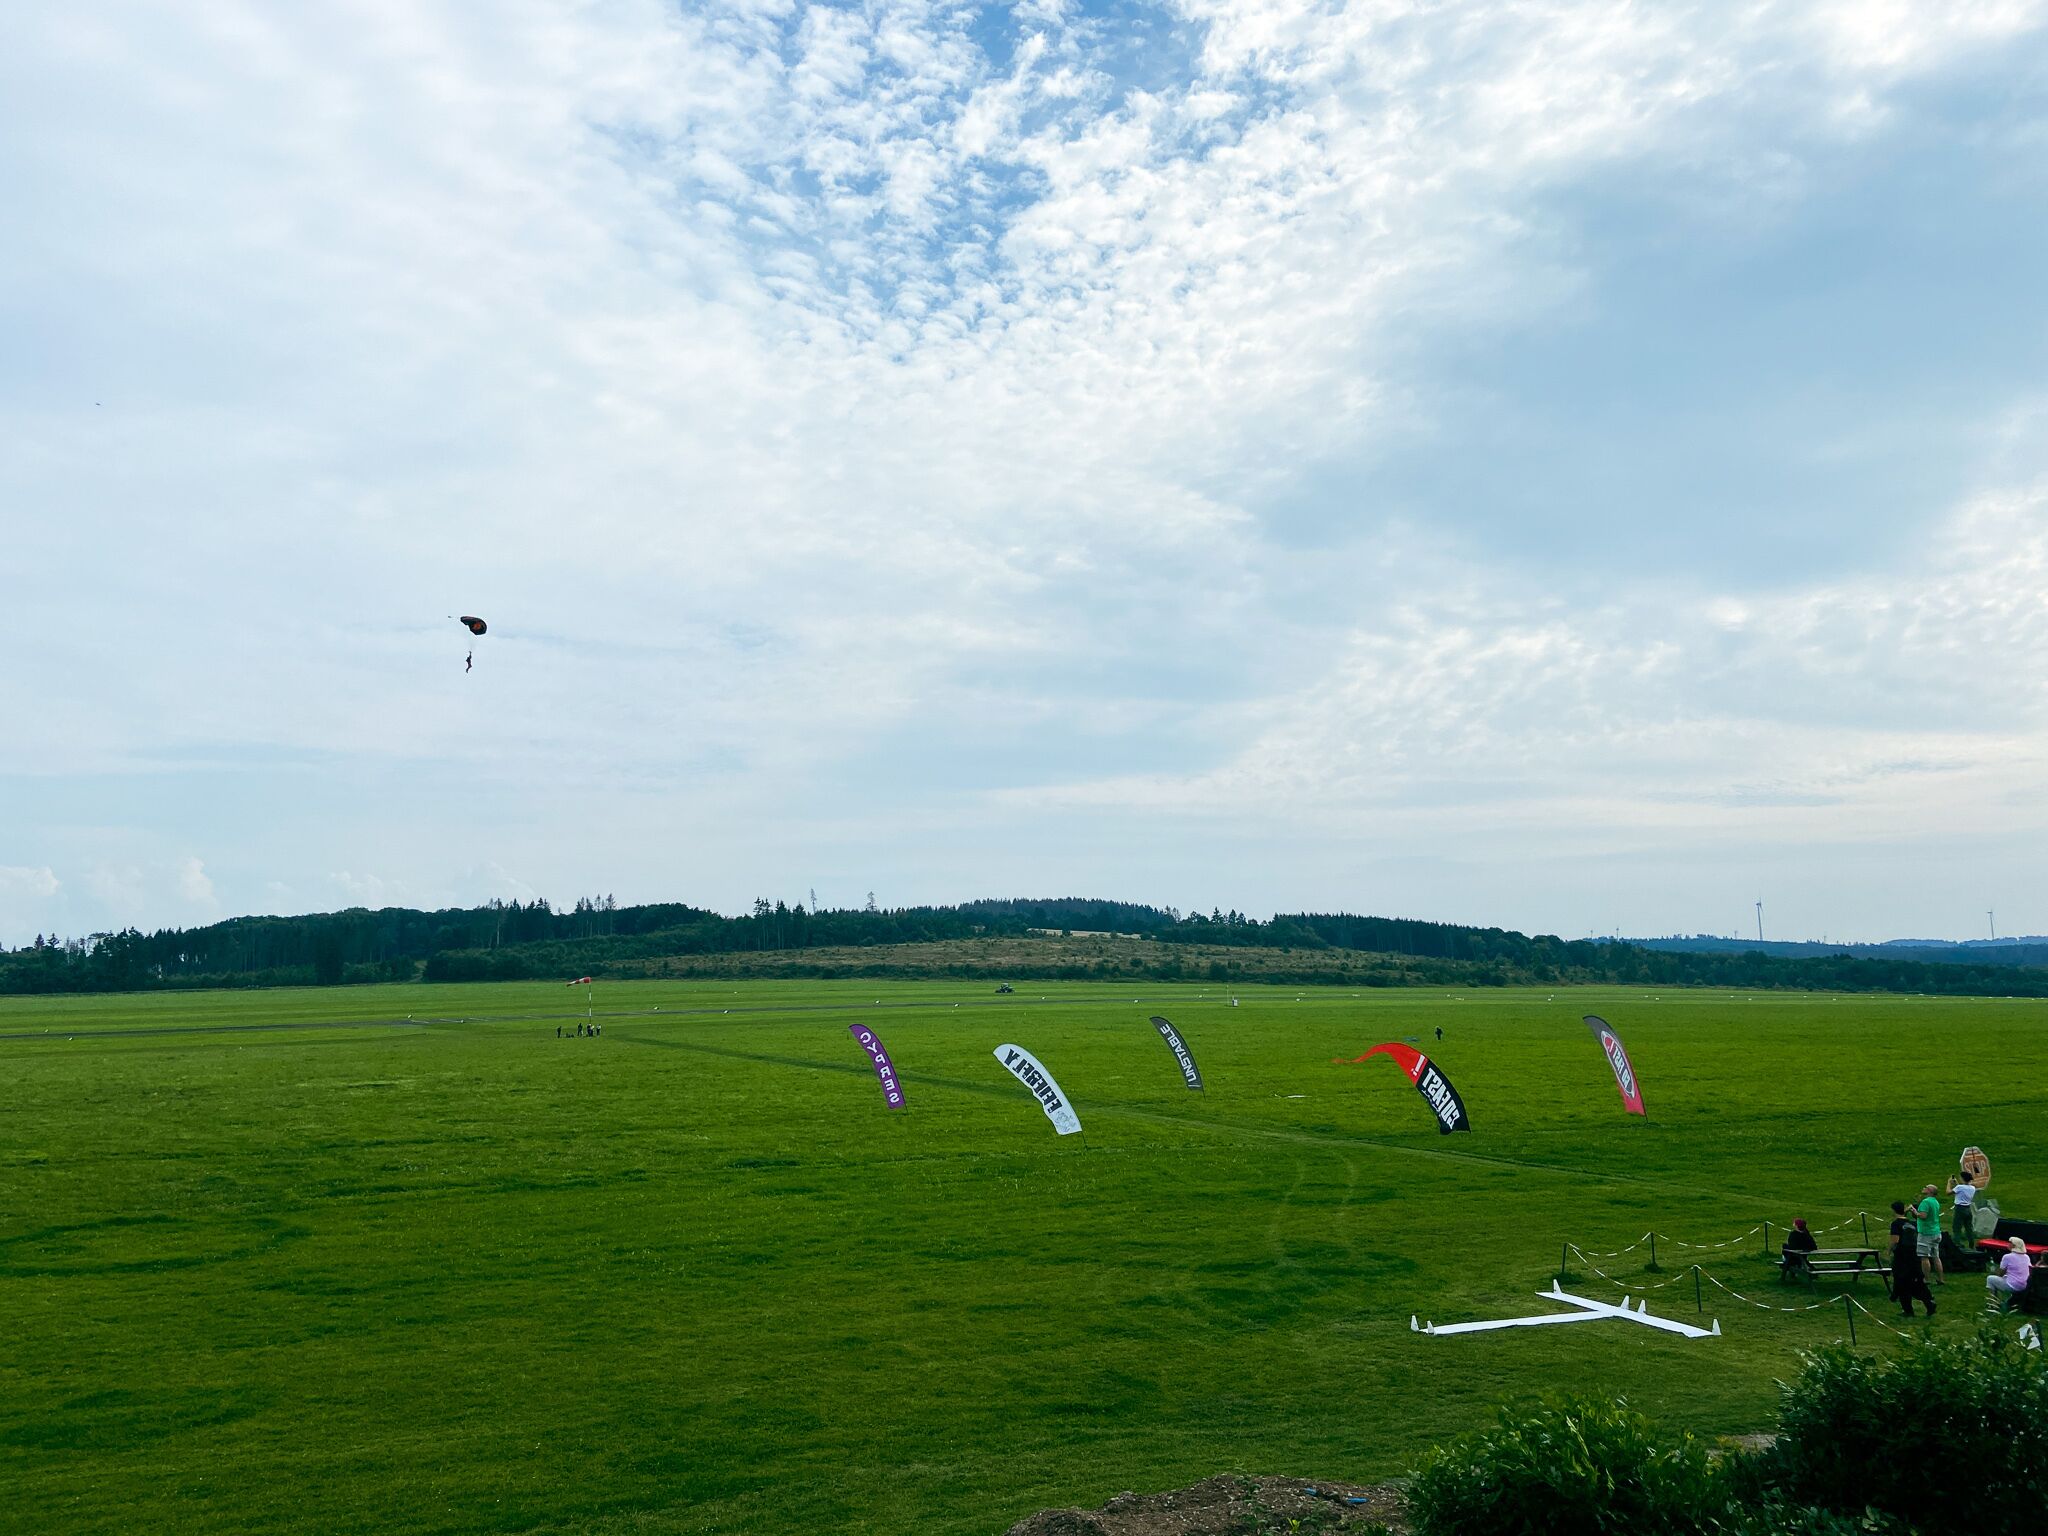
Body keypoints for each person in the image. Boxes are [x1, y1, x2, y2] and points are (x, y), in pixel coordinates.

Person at [1890, 1201, 1935, 1318]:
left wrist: (1889, 1251)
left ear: (1894, 1211)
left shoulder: (1895, 1224)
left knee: (1902, 1283)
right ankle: (1929, 1302)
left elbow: (1895, 1241)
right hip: (1914, 1256)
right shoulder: (1912, 1223)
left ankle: (1908, 1310)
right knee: (1917, 1281)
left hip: (1902, 1257)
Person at [1988, 1237, 2031, 1310]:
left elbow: (2000, 1274)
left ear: (2014, 1245)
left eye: (2010, 1243)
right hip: (2025, 1285)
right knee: (2006, 1277)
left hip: (2014, 1286)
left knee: (1990, 1279)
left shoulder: (2007, 1257)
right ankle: (2007, 1301)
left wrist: (1994, 1271)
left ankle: (1993, 1303)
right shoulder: (2026, 1257)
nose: (2008, 1244)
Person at [1915, 1184, 1945, 1284]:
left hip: (1926, 1233)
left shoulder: (1926, 1202)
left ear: (1930, 1191)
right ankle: (1940, 1279)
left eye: (1925, 1187)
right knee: (1936, 1257)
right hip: (1936, 1231)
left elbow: (1923, 1216)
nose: (1923, 1188)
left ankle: (1926, 1279)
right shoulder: (1935, 1202)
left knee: (1924, 1257)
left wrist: (1915, 1212)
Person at [1948, 1168, 1979, 1244]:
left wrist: (1949, 1183)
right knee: (1969, 1228)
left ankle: (1957, 1244)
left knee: (1957, 1228)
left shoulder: (1959, 1187)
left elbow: (1948, 1192)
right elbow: (1962, 1189)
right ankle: (1971, 1244)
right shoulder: (1972, 1188)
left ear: (1963, 1178)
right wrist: (1957, 1183)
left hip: (1960, 1209)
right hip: (1968, 1209)